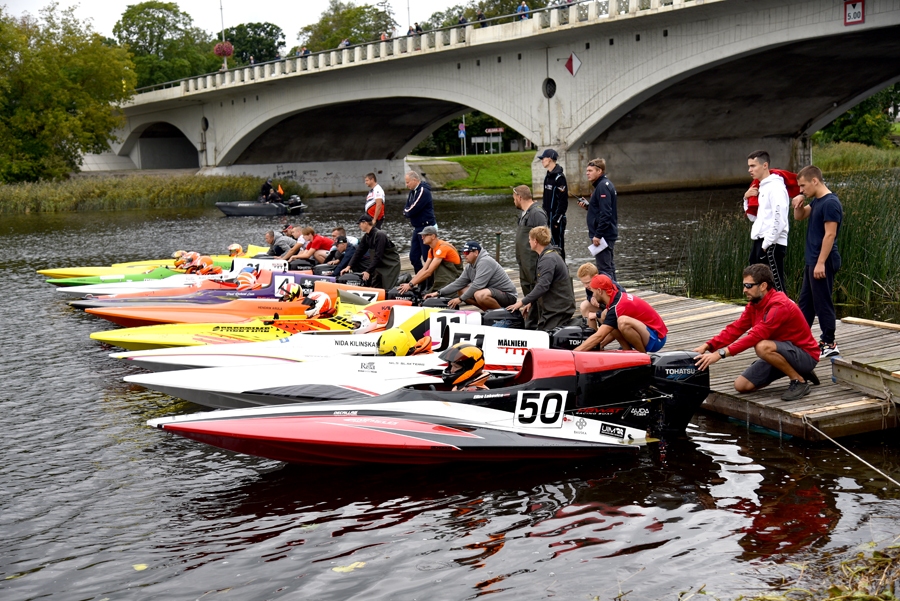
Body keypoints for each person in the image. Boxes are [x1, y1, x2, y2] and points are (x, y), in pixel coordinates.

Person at [693, 264, 821, 401]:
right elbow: (736, 328)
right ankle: (797, 370)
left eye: (748, 286)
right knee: (741, 386)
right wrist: (708, 346)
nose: (744, 290)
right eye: (744, 285)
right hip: (781, 351)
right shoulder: (755, 304)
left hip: (806, 355)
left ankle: (798, 380)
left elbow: (756, 336)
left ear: (763, 286)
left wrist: (721, 353)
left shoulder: (779, 305)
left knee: (762, 346)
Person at [792, 165, 843, 358]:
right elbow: (800, 217)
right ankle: (800, 340)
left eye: (803, 186)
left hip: (823, 261)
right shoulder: (817, 201)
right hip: (812, 260)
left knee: (822, 303)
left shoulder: (830, 203)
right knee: (805, 303)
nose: (801, 190)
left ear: (815, 181)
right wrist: (797, 203)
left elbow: (830, 235)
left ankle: (829, 343)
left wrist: (821, 262)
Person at [573, 273, 666, 353]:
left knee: (623, 322)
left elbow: (600, 335)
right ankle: (628, 350)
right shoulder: (614, 297)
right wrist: (599, 345)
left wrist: (575, 353)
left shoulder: (617, 307)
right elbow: (608, 331)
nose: (592, 295)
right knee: (605, 315)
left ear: (600, 291)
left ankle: (642, 357)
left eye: (593, 292)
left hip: (657, 338)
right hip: (647, 332)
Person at [508, 226, 576, 332]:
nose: (529, 242)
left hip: (559, 307)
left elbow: (543, 286)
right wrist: (531, 301)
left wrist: (522, 302)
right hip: (555, 304)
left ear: (535, 241)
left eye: (530, 239)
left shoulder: (548, 259)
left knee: (546, 335)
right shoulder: (549, 254)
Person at [424, 241, 517, 310]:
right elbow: (459, 283)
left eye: (467, 253)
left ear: (476, 253)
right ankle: (489, 312)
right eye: (463, 253)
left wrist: (460, 299)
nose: (464, 255)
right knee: (461, 290)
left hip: (508, 295)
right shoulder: (470, 266)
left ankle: (503, 316)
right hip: (492, 293)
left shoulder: (485, 261)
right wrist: (438, 293)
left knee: (479, 294)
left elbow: (477, 285)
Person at [746, 150, 789, 293]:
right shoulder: (760, 187)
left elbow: (780, 217)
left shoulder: (775, 187)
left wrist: (767, 244)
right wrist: (746, 199)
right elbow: (754, 218)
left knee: (776, 286)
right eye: (749, 166)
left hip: (772, 243)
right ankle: (763, 314)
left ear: (765, 165)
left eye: (753, 166)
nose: (749, 170)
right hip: (760, 241)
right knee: (758, 286)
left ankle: (786, 314)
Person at [513, 184, 548, 329]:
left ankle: (541, 325)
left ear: (519, 197)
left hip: (533, 265)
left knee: (538, 298)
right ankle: (531, 326)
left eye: (514, 198)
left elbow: (544, 238)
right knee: (529, 298)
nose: (513, 201)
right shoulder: (525, 213)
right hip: (525, 265)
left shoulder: (537, 213)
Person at [398, 226, 462, 295]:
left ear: (433, 236)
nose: (422, 238)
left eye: (425, 235)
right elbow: (424, 269)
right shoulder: (431, 250)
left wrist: (411, 284)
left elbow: (429, 272)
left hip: (455, 278)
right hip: (446, 278)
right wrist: (410, 283)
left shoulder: (442, 248)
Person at [342, 215, 401, 290]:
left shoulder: (380, 235)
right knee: (375, 287)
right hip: (379, 265)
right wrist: (349, 266)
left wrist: (368, 271)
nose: (359, 226)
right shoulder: (366, 236)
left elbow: (378, 255)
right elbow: (359, 252)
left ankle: (403, 279)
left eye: (359, 224)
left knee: (388, 288)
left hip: (390, 265)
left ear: (365, 223)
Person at [582, 158, 618, 279]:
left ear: (599, 171)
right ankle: (617, 294)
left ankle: (613, 296)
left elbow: (606, 214)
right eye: (587, 170)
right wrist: (589, 207)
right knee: (609, 268)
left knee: (605, 269)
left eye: (590, 170)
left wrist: (598, 234)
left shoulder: (602, 187)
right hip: (605, 234)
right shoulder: (603, 185)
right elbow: (601, 210)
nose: (587, 173)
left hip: (603, 236)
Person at [403, 171, 436, 274]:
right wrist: (407, 212)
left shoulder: (423, 191)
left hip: (426, 228)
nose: (406, 184)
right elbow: (407, 207)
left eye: (408, 182)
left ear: (414, 180)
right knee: (413, 257)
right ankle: (420, 280)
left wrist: (407, 212)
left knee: (427, 257)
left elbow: (413, 209)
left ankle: (429, 281)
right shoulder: (412, 192)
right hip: (417, 227)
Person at [538, 148, 568, 258]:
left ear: (550, 159)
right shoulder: (548, 176)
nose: (542, 160)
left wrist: (556, 220)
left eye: (543, 158)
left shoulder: (559, 178)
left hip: (556, 220)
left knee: (558, 246)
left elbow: (563, 202)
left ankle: (563, 272)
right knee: (549, 247)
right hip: (547, 218)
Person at [576, 262, 600, 329]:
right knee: (584, 306)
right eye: (583, 283)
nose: (585, 286)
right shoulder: (588, 287)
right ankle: (592, 332)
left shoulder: (606, 284)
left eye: (588, 282)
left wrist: (597, 314)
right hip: (602, 308)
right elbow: (589, 295)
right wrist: (591, 298)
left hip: (613, 312)